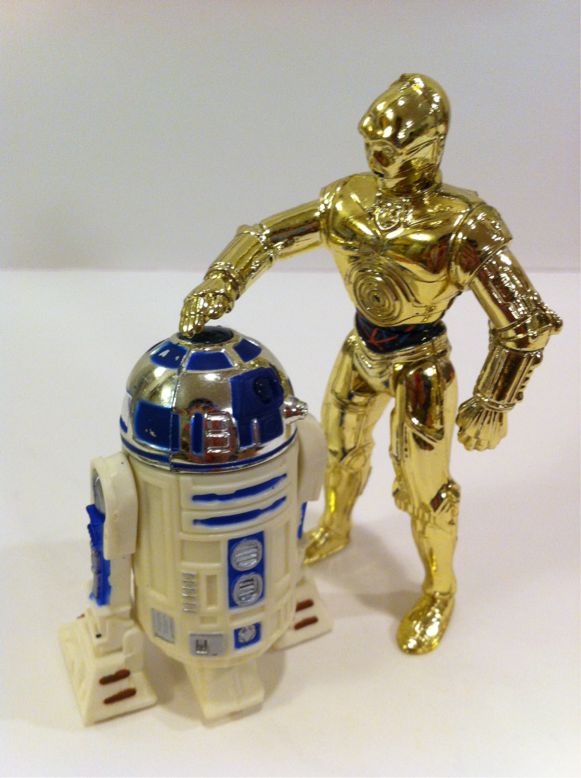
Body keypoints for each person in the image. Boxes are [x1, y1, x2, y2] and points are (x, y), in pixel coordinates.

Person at [179, 73, 561, 654]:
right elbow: (268, 236)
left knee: (425, 490)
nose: (377, 162)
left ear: (429, 149)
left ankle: (440, 588)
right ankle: (336, 525)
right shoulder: (349, 201)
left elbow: (526, 322)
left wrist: (492, 401)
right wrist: (222, 280)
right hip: (361, 349)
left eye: (390, 151)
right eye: (371, 148)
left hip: (421, 364)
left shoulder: (461, 224)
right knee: (337, 448)